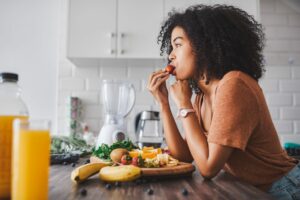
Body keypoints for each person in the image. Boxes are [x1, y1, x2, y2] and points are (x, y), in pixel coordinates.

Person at [147, 4, 300, 200]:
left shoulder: (234, 85)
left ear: (204, 45)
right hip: (249, 189)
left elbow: (208, 167)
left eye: (177, 44)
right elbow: (184, 156)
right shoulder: (202, 95)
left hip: (282, 189)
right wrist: (164, 104)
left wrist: (184, 105)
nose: (170, 55)